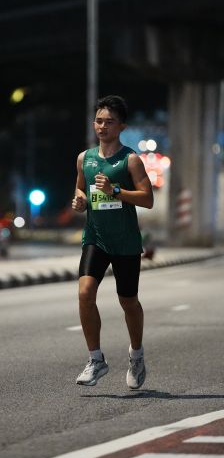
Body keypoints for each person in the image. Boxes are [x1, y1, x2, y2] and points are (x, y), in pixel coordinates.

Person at [72, 95, 153, 389]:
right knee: (85, 293)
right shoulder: (84, 158)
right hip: (96, 237)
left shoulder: (130, 160)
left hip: (125, 241)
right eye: (98, 121)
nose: (102, 126)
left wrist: (116, 190)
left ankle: (137, 355)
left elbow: (148, 199)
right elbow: (80, 189)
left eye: (109, 122)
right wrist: (80, 201)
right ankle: (96, 360)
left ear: (122, 127)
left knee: (128, 301)